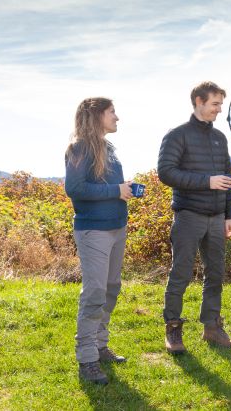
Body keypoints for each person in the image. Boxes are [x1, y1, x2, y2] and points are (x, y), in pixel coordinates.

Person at [158, 81, 231, 353]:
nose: (219, 110)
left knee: (215, 274)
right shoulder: (177, 135)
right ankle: (173, 330)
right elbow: (166, 173)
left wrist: (230, 215)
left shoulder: (220, 138)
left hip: (217, 218)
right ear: (198, 102)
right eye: (215, 104)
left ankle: (212, 328)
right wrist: (207, 181)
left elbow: (227, 179)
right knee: (180, 273)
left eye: (220, 104)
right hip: (188, 216)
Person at [65, 97, 132, 385]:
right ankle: (87, 358)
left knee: (111, 289)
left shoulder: (109, 148)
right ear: (96, 116)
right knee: (94, 292)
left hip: (117, 228)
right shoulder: (78, 148)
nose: (117, 117)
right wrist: (116, 190)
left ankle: (101, 345)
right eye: (112, 112)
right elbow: (75, 188)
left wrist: (125, 190)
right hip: (93, 231)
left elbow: (105, 186)